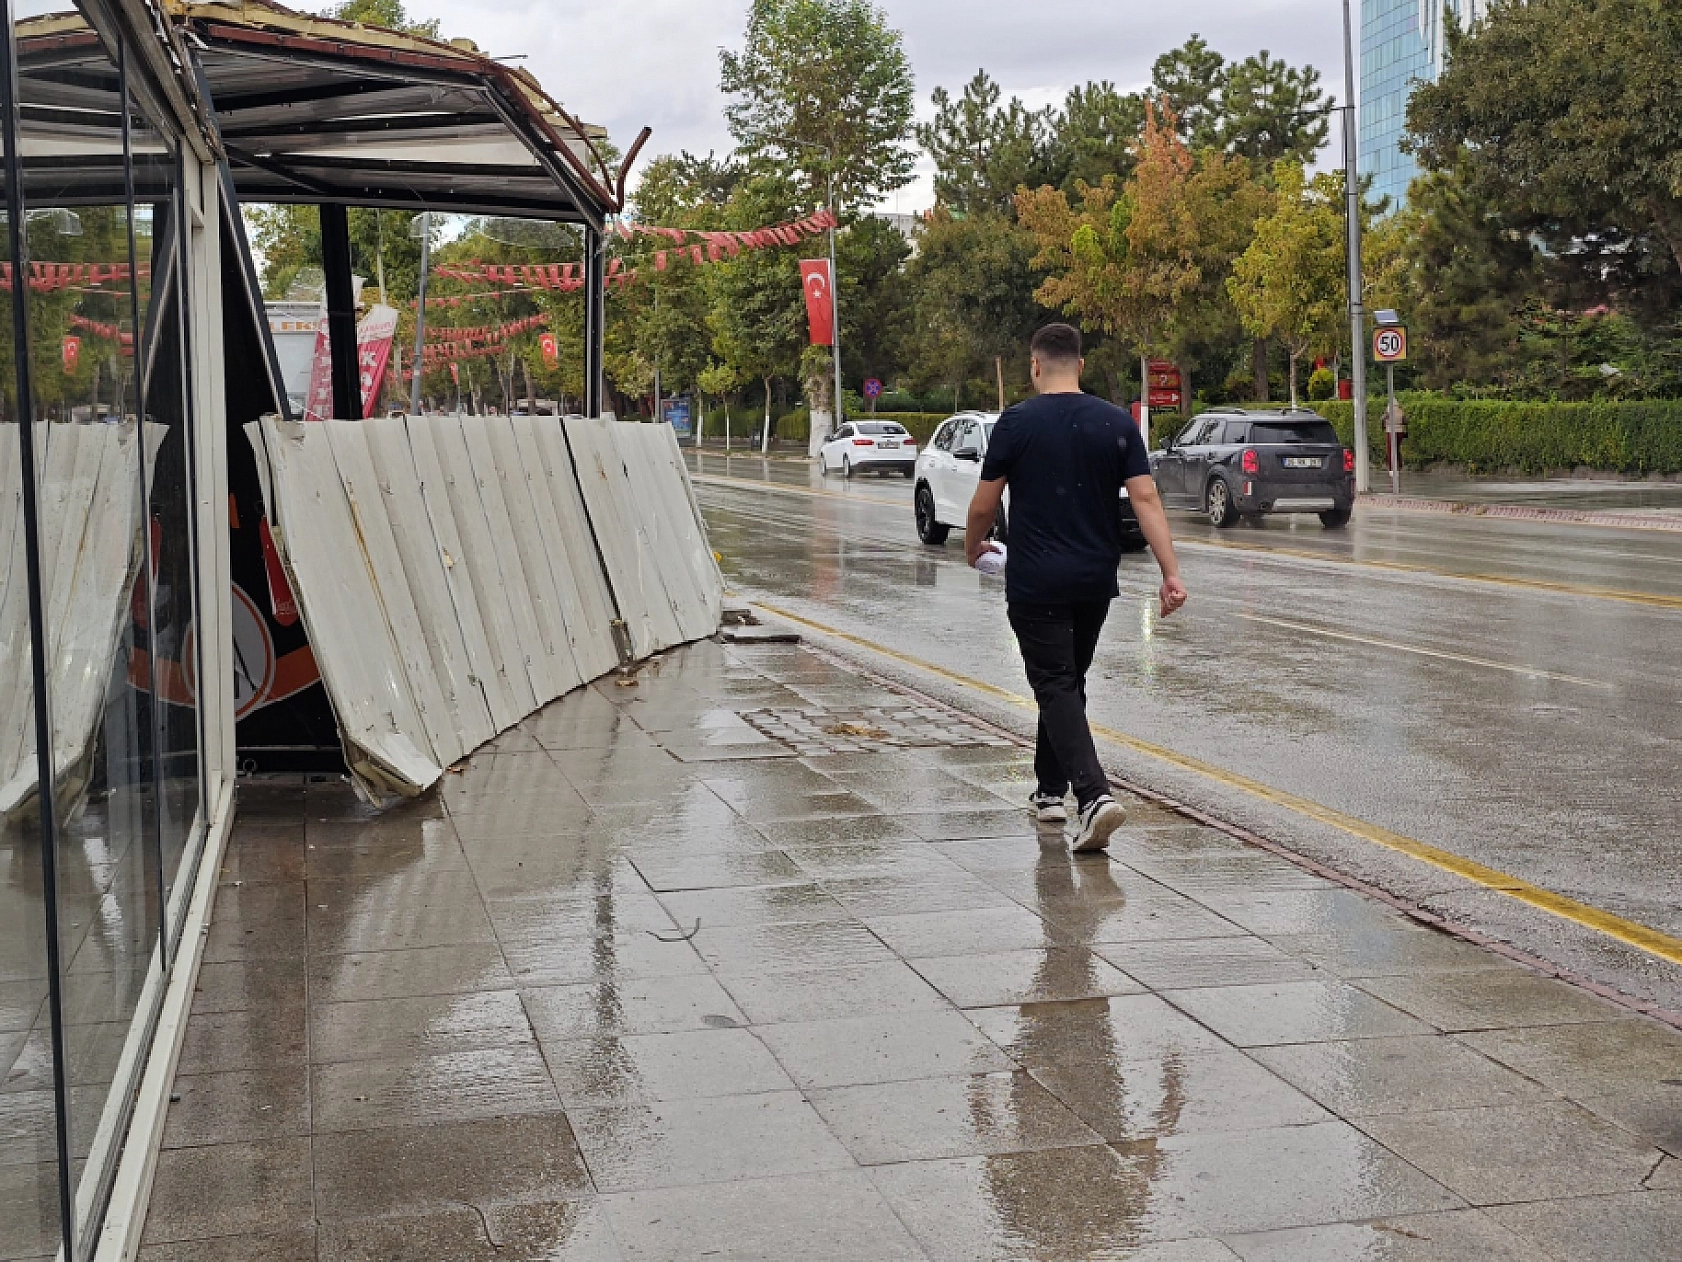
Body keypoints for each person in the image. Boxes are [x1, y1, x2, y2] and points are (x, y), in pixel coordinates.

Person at [964, 323, 1187, 852]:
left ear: (1035, 365)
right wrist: (1170, 572)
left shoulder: (1016, 423)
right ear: (1081, 365)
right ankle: (1048, 792)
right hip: (1093, 579)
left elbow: (984, 501)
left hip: (1037, 578)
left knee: (1056, 684)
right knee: (1065, 682)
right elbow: (1147, 500)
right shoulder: (1115, 422)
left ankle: (1093, 797)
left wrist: (974, 545)